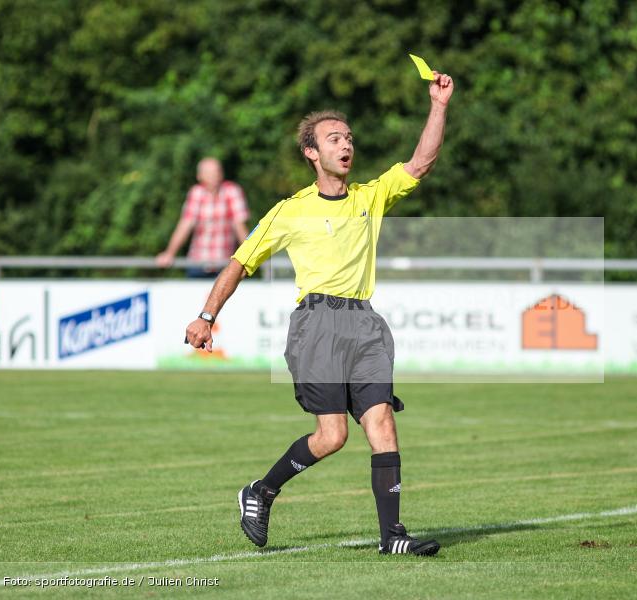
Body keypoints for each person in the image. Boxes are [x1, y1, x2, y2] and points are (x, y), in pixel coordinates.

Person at [184, 72, 454, 555]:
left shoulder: (371, 195)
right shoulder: (290, 210)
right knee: (332, 436)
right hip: (317, 325)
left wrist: (439, 105)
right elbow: (239, 263)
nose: (346, 144)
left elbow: (421, 162)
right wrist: (206, 316)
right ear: (312, 152)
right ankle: (262, 490)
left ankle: (392, 537)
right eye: (334, 139)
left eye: (348, 137)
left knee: (382, 424)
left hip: (366, 325)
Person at [156, 157, 250, 277]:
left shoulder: (232, 191)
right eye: (209, 173)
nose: (215, 176)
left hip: (225, 264)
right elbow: (185, 225)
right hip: (197, 263)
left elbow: (240, 226)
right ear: (199, 176)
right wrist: (170, 253)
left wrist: (250, 255)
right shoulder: (196, 193)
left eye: (217, 171)